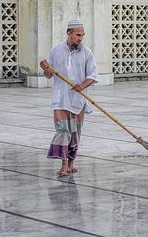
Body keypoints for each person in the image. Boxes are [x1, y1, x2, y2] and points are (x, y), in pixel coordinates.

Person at [40, 19, 98, 176]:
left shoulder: (87, 53)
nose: (80, 38)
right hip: (60, 99)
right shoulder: (56, 50)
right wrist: (45, 68)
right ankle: (64, 164)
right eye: (78, 35)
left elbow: (92, 76)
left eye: (82, 35)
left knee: (75, 133)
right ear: (69, 34)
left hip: (78, 99)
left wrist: (82, 86)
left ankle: (71, 164)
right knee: (63, 129)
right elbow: (48, 75)